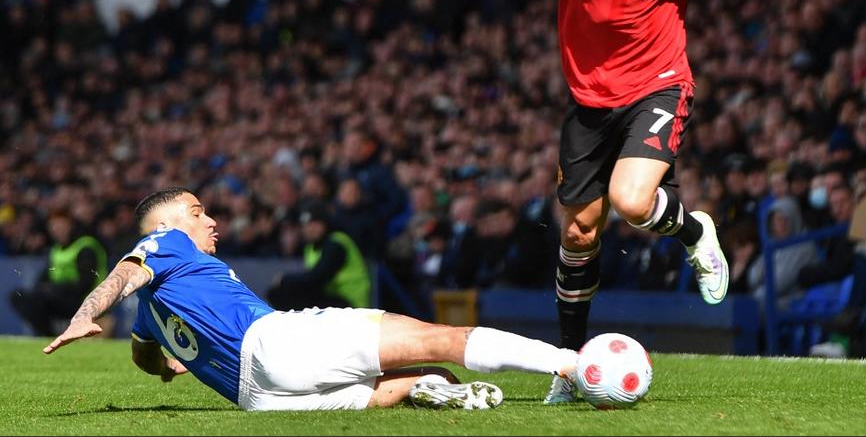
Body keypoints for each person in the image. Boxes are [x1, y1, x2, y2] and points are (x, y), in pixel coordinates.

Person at [462, 0, 866, 402]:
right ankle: (570, 368)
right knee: (579, 234)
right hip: (588, 102)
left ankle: (693, 230)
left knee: (632, 202)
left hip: (658, 88)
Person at [43, 187, 580, 411]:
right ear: (166, 224)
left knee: (398, 384)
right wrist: (83, 315)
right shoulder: (165, 242)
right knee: (442, 337)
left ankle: (428, 388)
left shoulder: (152, 312)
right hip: (276, 341)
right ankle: (571, 367)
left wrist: (169, 368)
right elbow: (120, 274)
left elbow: (142, 356)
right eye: (199, 210)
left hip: (256, 397)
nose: (212, 220)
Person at [10, 210, 108, 337]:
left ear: (70, 225)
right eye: (53, 226)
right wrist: (42, 290)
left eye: (60, 225)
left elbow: (85, 284)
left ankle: (46, 335)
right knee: (19, 297)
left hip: (84, 301)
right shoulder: (55, 250)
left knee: (43, 297)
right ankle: (46, 334)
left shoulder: (85, 247)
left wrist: (53, 290)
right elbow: (44, 277)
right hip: (59, 297)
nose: (56, 229)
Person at [266, 208, 372, 311]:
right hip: (331, 296)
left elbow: (316, 278)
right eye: (306, 225)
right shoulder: (311, 247)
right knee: (278, 293)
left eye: (314, 224)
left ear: (324, 223)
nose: (309, 229)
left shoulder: (336, 244)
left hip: (351, 303)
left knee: (291, 291)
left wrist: (284, 279)